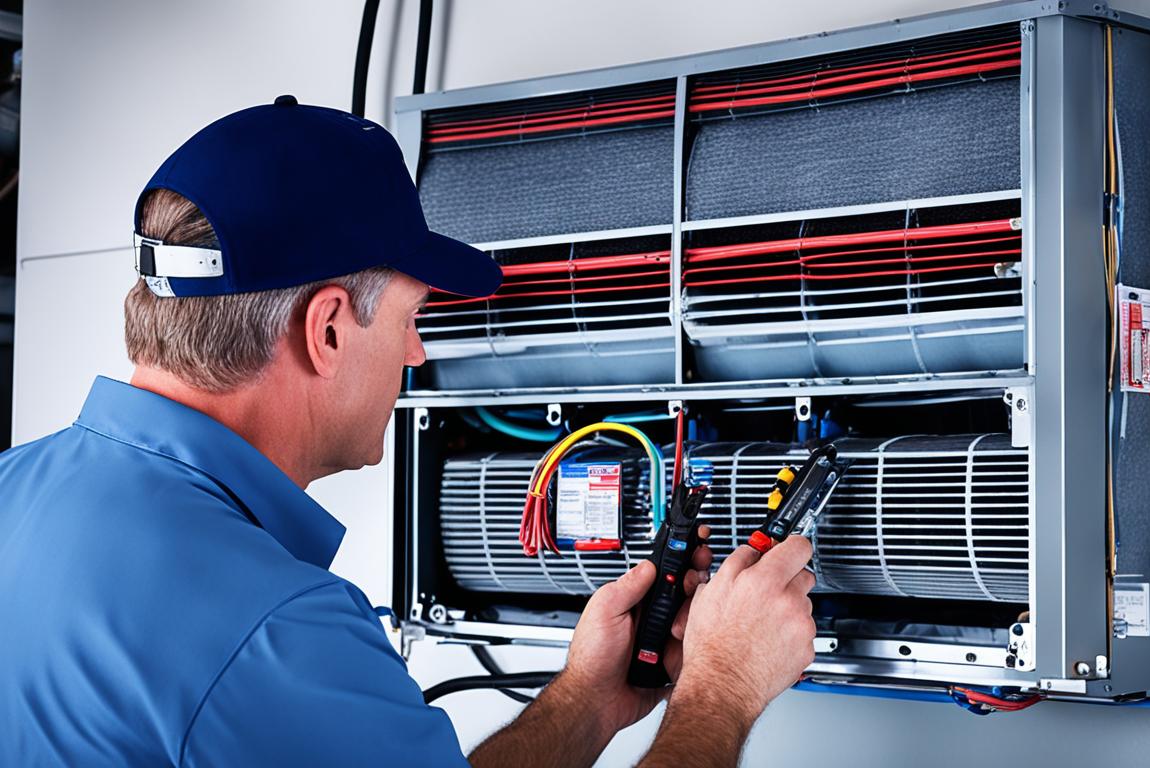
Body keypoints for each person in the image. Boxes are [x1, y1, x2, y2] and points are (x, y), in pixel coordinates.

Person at [0, 97, 818, 767]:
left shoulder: (12, 488)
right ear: (325, 330)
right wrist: (722, 688)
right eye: (412, 316)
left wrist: (589, 701)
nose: (418, 352)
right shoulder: (276, 634)